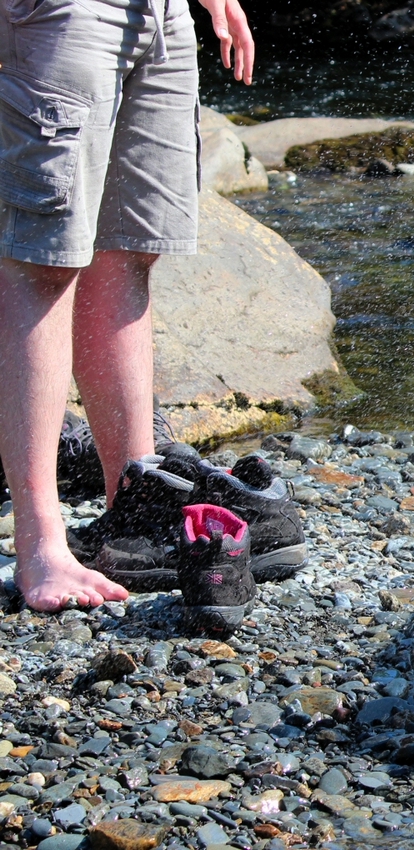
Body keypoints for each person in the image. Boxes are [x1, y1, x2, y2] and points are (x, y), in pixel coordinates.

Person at [0, 0, 254, 612]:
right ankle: (41, 545)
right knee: (45, 262)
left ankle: (132, 513)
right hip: (63, 13)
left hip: (160, 15)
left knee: (129, 253)